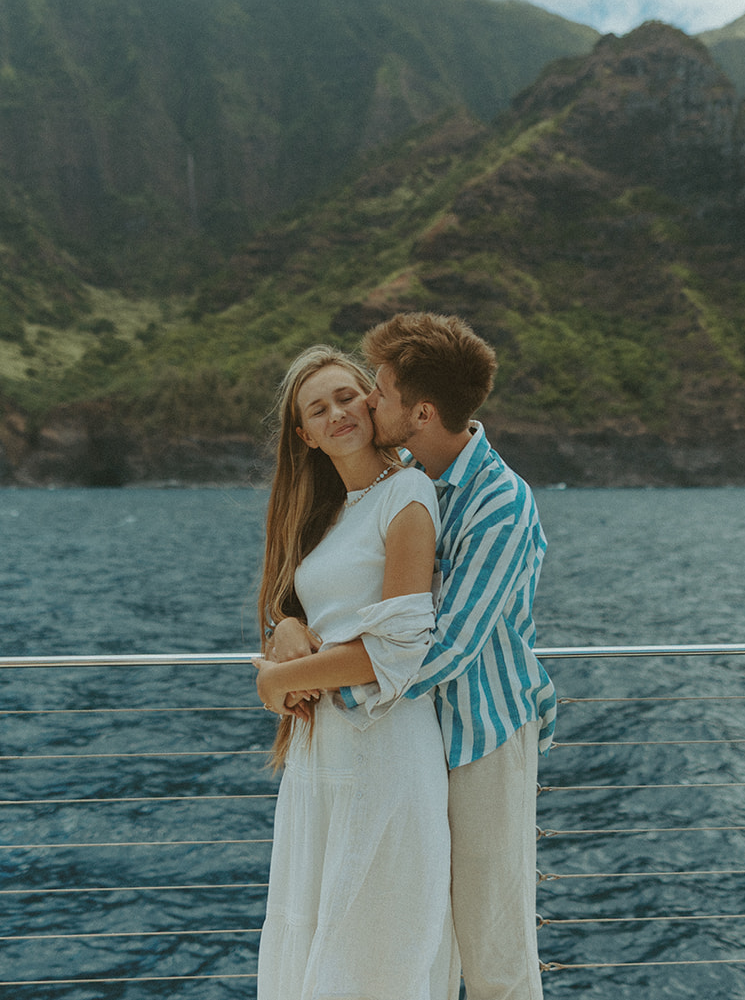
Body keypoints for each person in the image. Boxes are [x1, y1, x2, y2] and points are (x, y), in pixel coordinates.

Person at [270, 313, 556, 1000]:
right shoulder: (413, 480)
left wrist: (303, 681)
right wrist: (287, 625)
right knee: (423, 939)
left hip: (482, 734)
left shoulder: (498, 501)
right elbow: (338, 583)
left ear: (419, 412)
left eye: (381, 391)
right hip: (419, 734)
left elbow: (439, 650)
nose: (368, 402)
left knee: (494, 951)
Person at [252, 345, 456, 1000]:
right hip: (322, 760)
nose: (339, 412)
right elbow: (320, 610)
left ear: (372, 400)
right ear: (304, 435)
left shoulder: (407, 493)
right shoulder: (331, 513)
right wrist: (282, 625)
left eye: (348, 396)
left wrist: (277, 680)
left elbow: (398, 646)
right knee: (316, 942)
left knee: (372, 952)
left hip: (384, 748)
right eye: (319, 408)